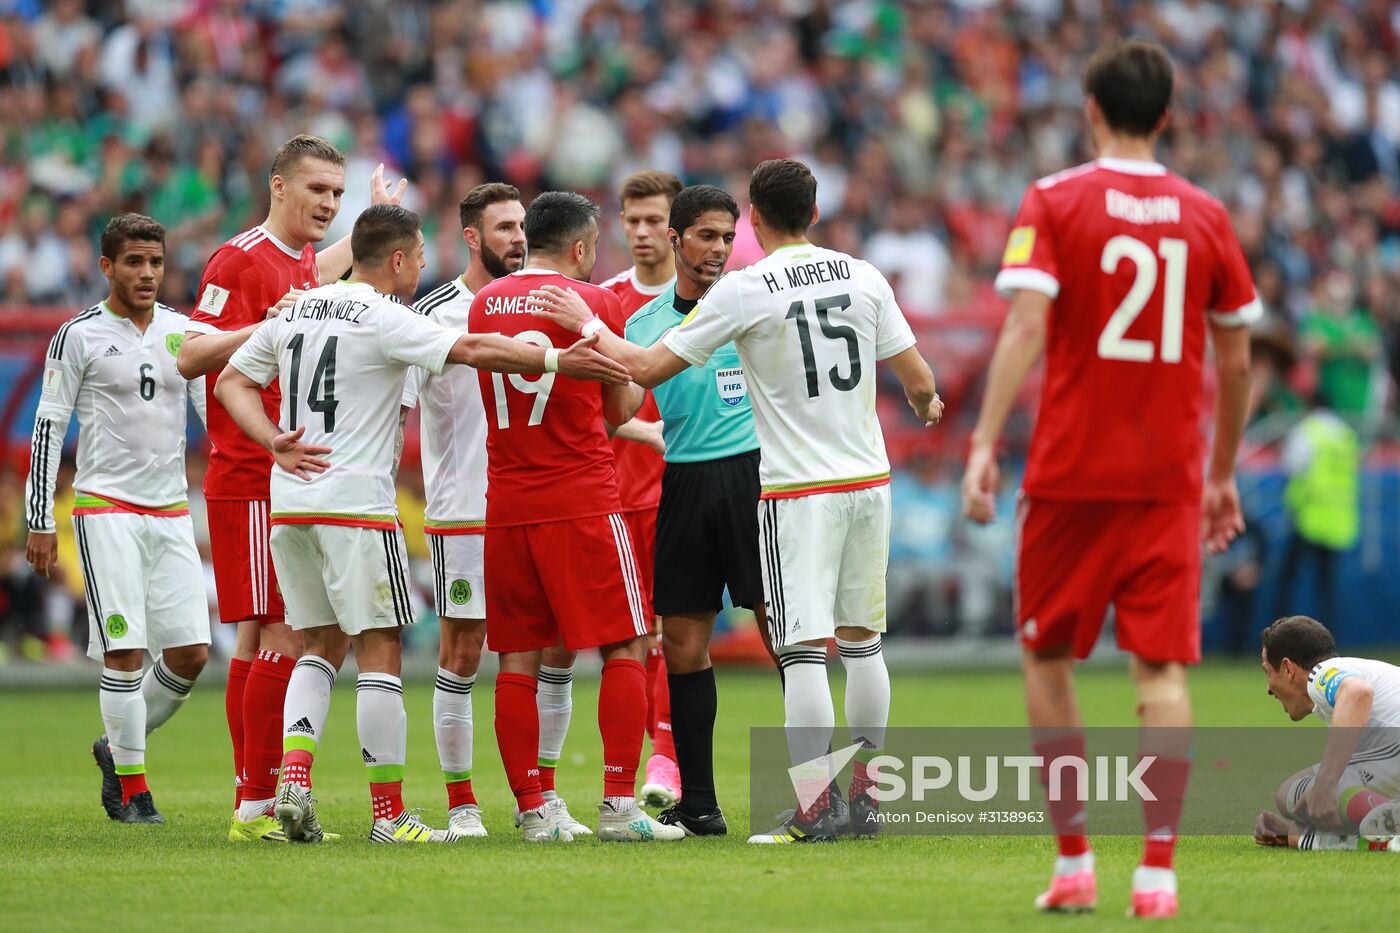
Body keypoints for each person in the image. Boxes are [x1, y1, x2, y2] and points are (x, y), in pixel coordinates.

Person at [527, 160, 942, 845]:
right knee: (861, 646)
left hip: (787, 486)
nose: (720, 246)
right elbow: (920, 381)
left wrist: (587, 324)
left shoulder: (747, 292)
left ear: (753, 219)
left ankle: (814, 809)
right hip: (861, 482)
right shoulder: (864, 275)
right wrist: (927, 403)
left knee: (801, 649)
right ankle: (858, 799)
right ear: (815, 209)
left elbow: (647, 368)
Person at [214, 204, 630, 844]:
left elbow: (230, 385)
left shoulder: (295, 308)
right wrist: (552, 362)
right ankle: (388, 818)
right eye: (417, 258)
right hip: (357, 504)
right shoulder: (387, 317)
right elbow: (469, 346)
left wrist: (274, 441)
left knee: (316, 645)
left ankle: (293, 781)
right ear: (399, 260)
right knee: (380, 649)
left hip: (291, 501)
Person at [959, 41, 1257, 918]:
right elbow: (1236, 361)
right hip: (1168, 476)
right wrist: (1222, 474)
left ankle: (1075, 860)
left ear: (1090, 107)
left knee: (1046, 655)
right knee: (1160, 675)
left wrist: (983, 440)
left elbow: (1024, 327)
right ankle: (1158, 874)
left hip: (1070, 475)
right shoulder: (1206, 214)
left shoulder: (1054, 199)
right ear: (1168, 115)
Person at [176, 134, 407, 842]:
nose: (327, 205)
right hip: (250, 470)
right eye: (318, 191)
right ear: (279, 187)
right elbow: (189, 352)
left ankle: (258, 798)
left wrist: (370, 216)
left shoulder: (303, 259)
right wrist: (262, 324)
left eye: (337, 194)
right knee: (279, 629)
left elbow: (328, 269)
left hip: (286, 471)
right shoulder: (239, 258)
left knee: (259, 634)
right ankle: (255, 803)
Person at [469, 190, 683, 843]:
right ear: (583, 247)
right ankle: (620, 805)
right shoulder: (595, 301)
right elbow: (620, 408)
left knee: (516, 659)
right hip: (581, 496)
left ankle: (535, 809)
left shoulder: (484, 301)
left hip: (506, 501)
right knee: (623, 642)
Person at [398, 181, 582, 838]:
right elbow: (399, 408)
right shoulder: (437, 311)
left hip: (539, 505)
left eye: (522, 226)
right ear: (472, 237)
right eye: (503, 227)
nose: (517, 238)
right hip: (465, 509)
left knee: (556, 646)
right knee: (464, 648)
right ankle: (461, 802)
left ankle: (544, 796)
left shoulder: (547, 302)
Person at [24, 214, 210, 825]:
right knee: (124, 650)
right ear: (107, 267)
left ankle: (116, 747)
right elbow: (49, 424)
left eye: (156, 262)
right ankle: (134, 790)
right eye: (134, 262)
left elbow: (215, 415)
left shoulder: (184, 333)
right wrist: (41, 518)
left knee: (191, 652)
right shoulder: (77, 335)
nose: (148, 273)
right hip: (106, 509)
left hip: (173, 509)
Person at [622, 184, 759, 836]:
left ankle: (819, 796)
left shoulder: (755, 305)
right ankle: (700, 804)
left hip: (755, 475)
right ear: (676, 239)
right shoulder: (643, 324)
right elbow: (618, 410)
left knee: (787, 636)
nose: (719, 249)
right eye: (707, 235)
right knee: (681, 643)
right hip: (683, 480)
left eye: (728, 238)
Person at [600, 169, 682, 808]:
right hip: (614, 496)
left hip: (680, 492)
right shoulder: (604, 302)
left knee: (673, 631)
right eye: (633, 221)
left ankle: (667, 762)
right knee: (625, 639)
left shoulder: (709, 301)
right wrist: (642, 434)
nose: (643, 233)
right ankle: (627, 774)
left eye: (656, 220)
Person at [1255, 616, 1400, 851]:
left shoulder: (1323, 673)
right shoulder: (1350, 675)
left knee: (1290, 792)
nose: (1268, 688)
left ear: (1287, 668)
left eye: (1267, 672)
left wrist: (1325, 785)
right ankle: (1388, 833)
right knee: (1309, 799)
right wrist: (1291, 832)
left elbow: (1357, 692)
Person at [1274, 391, 1361, 627]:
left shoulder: (1307, 431)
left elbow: (1291, 466)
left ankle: (1278, 637)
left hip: (1308, 517)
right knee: (1328, 588)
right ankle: (1328, 644)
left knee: (1287, 580)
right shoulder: (1346, 435)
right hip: (1337, 520)